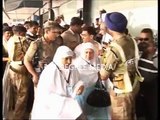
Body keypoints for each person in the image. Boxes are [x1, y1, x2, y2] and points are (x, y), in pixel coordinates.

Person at [99, 12, 144, 120]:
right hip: (133, 85)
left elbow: (103, 75)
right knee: (130, 115)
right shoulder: (131, 40)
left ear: (110, 28)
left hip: (121, 91)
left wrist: (102, 60)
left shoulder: (114, 48)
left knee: (121, 116)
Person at [31, 46, 85, 119]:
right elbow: (45, 95)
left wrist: (80, 87)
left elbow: (78, 82)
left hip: (68, 105)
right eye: (66, 59)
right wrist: (65, 100)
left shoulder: (72, 68)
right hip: (53, 109)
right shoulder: (50, 71)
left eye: (70, 58)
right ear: (59, 58)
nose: (69, 62)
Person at [73, 42, 111, 119]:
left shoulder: (97, 61)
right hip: (81, 92)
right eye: (86, 52)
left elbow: (102, 75)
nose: (88, 55)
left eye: (91, 52)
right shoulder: (77, 63)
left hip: (93, 91)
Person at [3, 25, 33, 119]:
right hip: (21, 70)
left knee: (16, 93)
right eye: (23, 33)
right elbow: (28, 54)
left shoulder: (10, 40)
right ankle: (18, 116)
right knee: (22, 95)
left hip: (12, 68)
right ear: (20, 33)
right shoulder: (22, 40)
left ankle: (15, 114)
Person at [24, 20, 63, 87]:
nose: (57, 35)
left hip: (55, 74)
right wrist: (34, 75)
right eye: (55, 32)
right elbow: (26, 60)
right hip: (41, 74)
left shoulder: (58, 42)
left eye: (59, 33)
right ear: (47, 31)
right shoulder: (36, 44)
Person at [136, 41, 158, 120]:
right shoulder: (153, 64)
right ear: (147, 50)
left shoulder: (138, 62)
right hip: (151, 96)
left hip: (140, 94)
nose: (155, 48)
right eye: (153, 47)